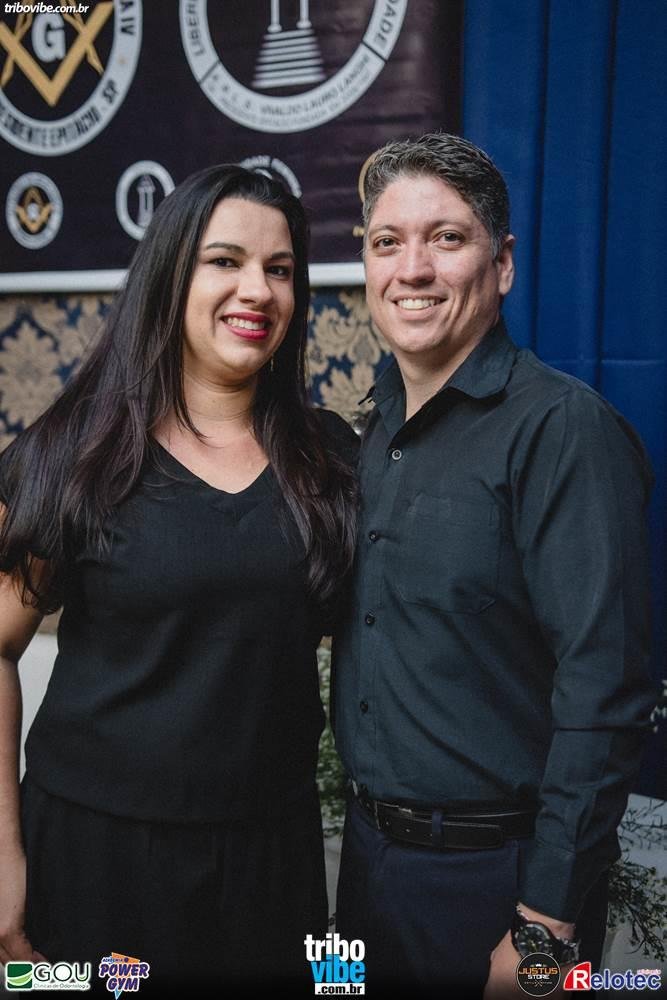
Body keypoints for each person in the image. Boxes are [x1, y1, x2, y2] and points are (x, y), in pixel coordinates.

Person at [0, 165, 358, 993]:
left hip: (271, 861)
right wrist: (4, 860)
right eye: (224, 261)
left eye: (278, 269)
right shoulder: (76, 453)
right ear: (169, 275)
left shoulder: (331, 460)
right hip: (91, 856)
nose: (256, 290)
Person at [332, 133, 656, 997]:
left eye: (446, 238)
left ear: (502, 263)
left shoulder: (561, 431)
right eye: (387, 242)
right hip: (367, 862)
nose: (412, 269)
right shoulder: (369, 433)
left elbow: (605, 686)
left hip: (498, 883)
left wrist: (544, 923)